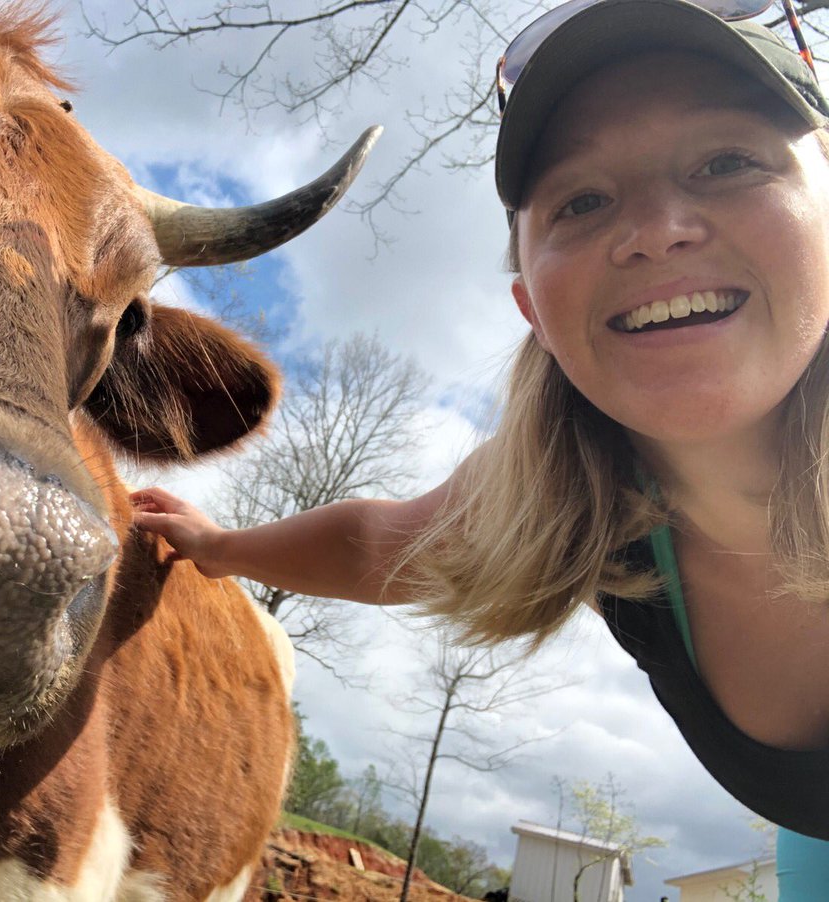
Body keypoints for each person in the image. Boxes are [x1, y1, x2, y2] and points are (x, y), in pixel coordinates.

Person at [131, 0, 829, 896]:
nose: (657, 228)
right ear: (535, 308)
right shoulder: (582, 498)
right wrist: (217, 548)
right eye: (582, 200)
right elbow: (382, 544)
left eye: (727, 161)